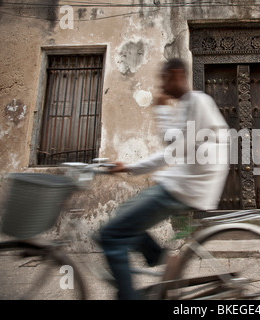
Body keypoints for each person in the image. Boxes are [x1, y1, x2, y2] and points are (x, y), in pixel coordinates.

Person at [99, 58, 229, 300]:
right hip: (181, 182)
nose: (162, 86)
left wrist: (130, 166)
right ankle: (163, 258)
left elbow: (173, 148)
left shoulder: (199, 102)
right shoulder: (188, 105)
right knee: (123, 216)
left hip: (187, 187)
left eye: (163, 79)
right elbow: (173, 144)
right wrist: (129, 166)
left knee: (111, 235)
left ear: (176, 75)